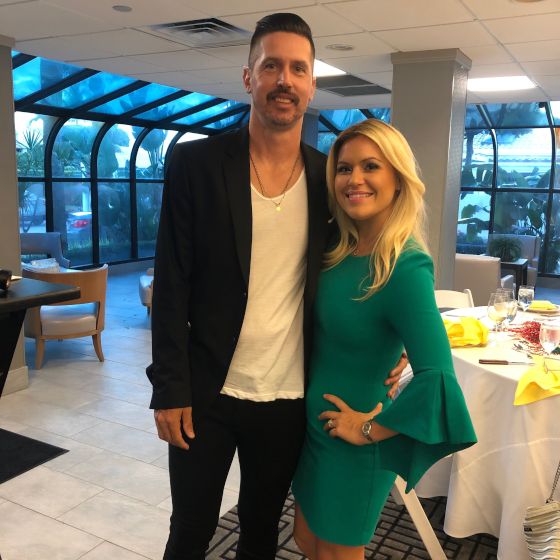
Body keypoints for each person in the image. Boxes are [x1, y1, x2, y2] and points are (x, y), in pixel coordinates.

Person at [147, 14, 406, 560]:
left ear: (312, 84)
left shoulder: (331, 180)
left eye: (298, 69)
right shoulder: (196, 163)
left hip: (290, 398)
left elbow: (369, 264)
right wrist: (169, 388)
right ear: (249, 77)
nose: (284, 80)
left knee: (262, 528)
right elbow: (171, 285)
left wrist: (396, 339)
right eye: (271, 66)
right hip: (206, 392)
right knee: (190, 529)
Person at [292, 119, 477, 560]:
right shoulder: (337, 249)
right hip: (313, 431)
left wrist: (370, 429)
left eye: (371, 166)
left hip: (354, 441)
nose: (354, 179)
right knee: (305, 540)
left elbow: (439, 377)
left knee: (335, 554)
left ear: (398, 179)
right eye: (344, 168)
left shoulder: (404, 265)